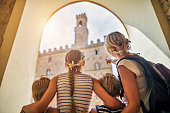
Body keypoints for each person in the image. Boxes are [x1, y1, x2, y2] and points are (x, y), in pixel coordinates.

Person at [21, 49, 123, 113]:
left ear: (66, 64)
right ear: (83, 63)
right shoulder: (92, 81)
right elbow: (113, 104)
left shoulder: (56, 79)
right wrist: (126, 105)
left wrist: (24, 109)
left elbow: (40, 108)